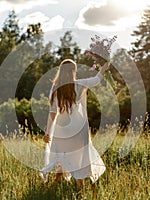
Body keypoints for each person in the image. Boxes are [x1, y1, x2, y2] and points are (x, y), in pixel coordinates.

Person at [39, 59, 109, 188]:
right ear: (73, 71)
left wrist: (48, 131)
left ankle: (57, 183)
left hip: (62, 130)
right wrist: (104, 67)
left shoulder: (55, 89)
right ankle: (79, 185)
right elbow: (97, 79)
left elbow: (53, 112)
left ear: (60, 72)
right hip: (79, 130)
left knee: (61, 157)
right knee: (80, 159)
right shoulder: (80, 84)